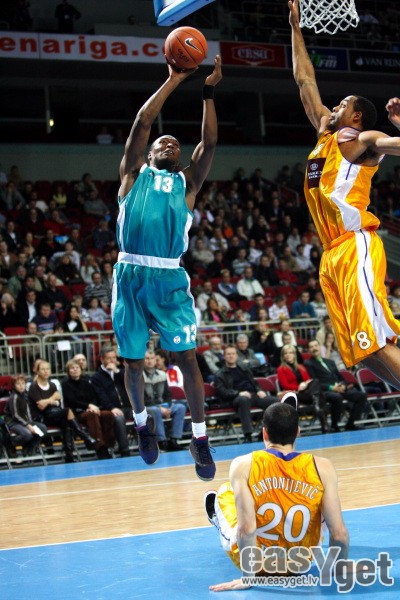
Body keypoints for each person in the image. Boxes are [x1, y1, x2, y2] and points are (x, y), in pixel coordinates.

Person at [111, 55, 222, 480]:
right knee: (133, 362)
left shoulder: (187, 184)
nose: (170, 144)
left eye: (176, 143)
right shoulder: (131, 175)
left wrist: (207, 92)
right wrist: (174, 79)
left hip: (170, 277)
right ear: (150, 152)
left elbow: (209, 144)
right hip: (130, 274)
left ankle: (199, 438)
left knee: (187, 357)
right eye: (163, 142)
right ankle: (142, 425)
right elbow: (143, 122)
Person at [289, 0, 400, 385]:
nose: (333, 106)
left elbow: (391, 145)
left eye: (342, 104)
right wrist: (295, 29)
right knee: (363, 352)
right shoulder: (325, 134)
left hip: (355, 245)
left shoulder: (362, 140)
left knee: (378, 342)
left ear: (356, 116)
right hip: (331, 255)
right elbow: (305, 81)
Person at [205, 399, 349, 591]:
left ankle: (218, 519)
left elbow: (247, 530)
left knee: (224, 491)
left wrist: (248, 578)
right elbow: (339, 534)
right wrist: (338, 569)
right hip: (300, 563)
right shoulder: (323, 467)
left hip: (258, 567)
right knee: (322, 502)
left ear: (264, 432)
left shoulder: (243, 464)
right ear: (298, 432)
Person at [28, 360, 97, 463]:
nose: (46, 371)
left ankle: (69, 456)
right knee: (67, 411)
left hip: (54, 413)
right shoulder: (34, 387)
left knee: (66, 422)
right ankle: (85, 437)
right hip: (41, 417)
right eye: (42, 369)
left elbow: (58, 403)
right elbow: (41, 406)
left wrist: (48, 401)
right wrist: (52, 399)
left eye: (47, 369)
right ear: (37, 371)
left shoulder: (52, 385)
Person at [213, 345, 278, 443]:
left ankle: (265, 431)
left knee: (276, 402)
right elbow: (222, 392)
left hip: (253, 395)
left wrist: (259, 390)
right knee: (244, 400)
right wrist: (239, 393)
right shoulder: (220, 374)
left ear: (236, 355)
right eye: (229, 354)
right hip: (235, 399)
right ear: (224, 356)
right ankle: (248, 435)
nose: (231, 356)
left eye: (233, 354)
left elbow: (254, 382)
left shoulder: (244, 368)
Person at [305, 340, 367, 432]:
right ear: (309, 350)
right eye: (311, 347)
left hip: (339, 388)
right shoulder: (308, 363)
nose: (314, 348)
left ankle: (350, 423)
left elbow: (340, 377)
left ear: (320, 347)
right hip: (324, 391)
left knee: (361, 395)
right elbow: (314, 382)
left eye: (316, 345)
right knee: (337, 397)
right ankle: (334, 425)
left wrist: (343, 385)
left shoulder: (330, 361)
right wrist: (332, 388)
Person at [61, 359, 114, 459]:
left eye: (77, 367)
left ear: (81, 369)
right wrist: (88, 406)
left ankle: (108, 444)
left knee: (108, 414)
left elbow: (94, 397)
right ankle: (99, 447)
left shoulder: (86, 382)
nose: (75, 370)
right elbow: (72, 401)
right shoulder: (65, 384)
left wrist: (93, 406)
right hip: (77, 412)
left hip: (91, 409)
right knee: (92, 416)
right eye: (72, 368)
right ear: (68, 371)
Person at [90, 346, 132, 457]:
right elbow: (101, 397)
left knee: (146, 414)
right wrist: (112, 408)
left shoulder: (121, 372)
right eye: (109, 358)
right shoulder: (96, 377)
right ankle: (125, 450)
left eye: (114, 358)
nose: (112, 361)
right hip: (111, 409)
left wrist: (117, 372)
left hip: (127, 407)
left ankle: (152, 445)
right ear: (102, 360)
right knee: (118, 419)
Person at [143, 351, 187, 451]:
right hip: (147, 407)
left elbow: (168, 395)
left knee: (180, 407)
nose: (149, 361)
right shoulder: (139, 376)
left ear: (155, 360)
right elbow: (142, 399)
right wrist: (160, 408)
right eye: (147, 358)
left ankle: (174, 440)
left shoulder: (162, 374)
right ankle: (162, 442)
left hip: (163, 405)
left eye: (152, 358)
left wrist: (168, 407)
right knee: (155, 410)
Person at [277, 344, 326, 432]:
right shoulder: (281, 369)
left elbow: (308, 381)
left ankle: (317, 405)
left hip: (307, 393)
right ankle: (322, 418)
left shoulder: (301, 367)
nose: (288, 355)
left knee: (315, 382)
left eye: (291, 353)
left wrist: (305, 384)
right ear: (283, 356)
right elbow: (285, 385)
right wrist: (298, 387)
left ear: (294, 355)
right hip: (295, 394)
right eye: (286, 353)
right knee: (318, 393)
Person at [4, 375, 47, 457]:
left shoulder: (25, 394)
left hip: (24, 421)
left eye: (23, 383)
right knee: (27, 434)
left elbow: (27, 411)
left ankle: (29, 448)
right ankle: (11, 443)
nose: (21, 386)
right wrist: (28, 425)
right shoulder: (14, 397)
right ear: (14, 386)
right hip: (13, 422)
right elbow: (16, 415)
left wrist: (30, 422)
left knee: (42, 428)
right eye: (18, 384)